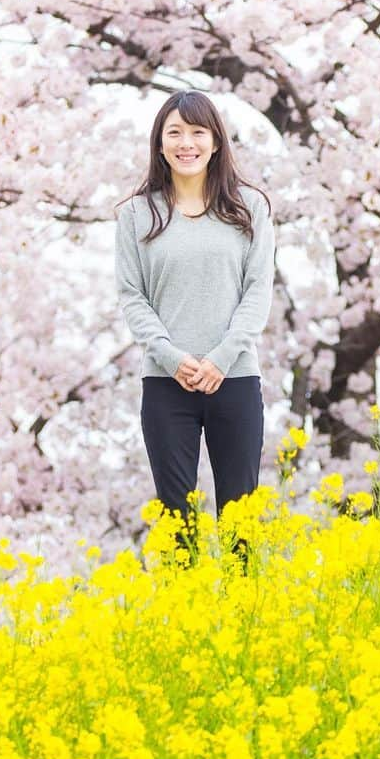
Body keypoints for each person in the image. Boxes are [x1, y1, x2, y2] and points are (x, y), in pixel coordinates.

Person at [114, 89, 276, 570]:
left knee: (239, 520)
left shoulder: (250, 208)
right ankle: (185, 625)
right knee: (176, 520)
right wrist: (171, 356)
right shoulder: (137, 214)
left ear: (216, 142)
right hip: (167, 385)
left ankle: (242, 625)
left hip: (236, 379)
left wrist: (221, 359)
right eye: (175, 133)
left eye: (197, 133)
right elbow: (131, 295)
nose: (187, 143)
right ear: (160, 145)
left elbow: (257, 291)